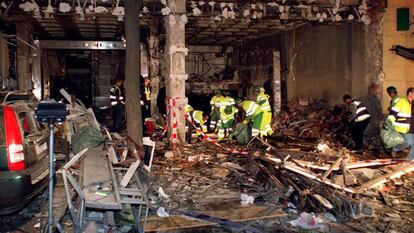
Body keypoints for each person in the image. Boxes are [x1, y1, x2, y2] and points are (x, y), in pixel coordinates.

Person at [387, 87, 414, 160]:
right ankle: (395, 148)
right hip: (402, 127)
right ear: (410, 93)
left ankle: (410, 161)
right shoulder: (401, 101)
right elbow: (393, 112)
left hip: (411, 127)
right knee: (408, 142)